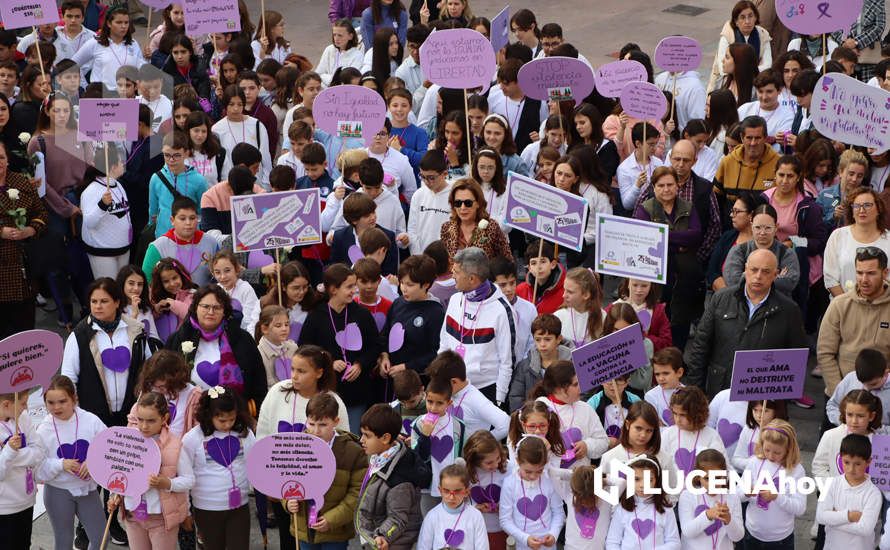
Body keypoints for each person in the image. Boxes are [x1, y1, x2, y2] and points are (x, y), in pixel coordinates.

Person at [685, 249, 808, 397]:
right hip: (719, 390)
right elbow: (700, 347)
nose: (758, 276)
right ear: (745, 269)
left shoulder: (789, 310)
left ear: (775, 274)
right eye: (754, 270)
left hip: (761, 400)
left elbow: (794, 362)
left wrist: (778, 403)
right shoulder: (721, 299)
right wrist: (695, 392)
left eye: (766, 272)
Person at [107, 392, 193, 550]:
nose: (144, 426)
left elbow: (189, 480)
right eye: (140, 420)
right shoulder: (128, 441)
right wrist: (115, 496)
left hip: (161, 519)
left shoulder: (175, 445)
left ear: (164, 418)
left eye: (151, 420)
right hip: (133, 515)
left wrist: (167, 483)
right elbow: (121, 474)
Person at [284, 392, 367, 550]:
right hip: (305, 529)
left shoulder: (352, 452)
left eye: (323, 425)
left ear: (336, 421)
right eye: (311, 423)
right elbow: (286, 480)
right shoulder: (297, 446)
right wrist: (288, 501)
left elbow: (357, 493)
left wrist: (332, 519)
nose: (316, 431)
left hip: (335, 531)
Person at [634, 166, 704, 350]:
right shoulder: (645, 209)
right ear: (654, 187)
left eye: (670, 185)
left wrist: (663, 236)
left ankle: (678, 358)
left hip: (684, 278)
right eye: (661, 185)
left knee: (681, 319)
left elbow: (696, 235)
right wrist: (680, 242)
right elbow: (645, 239)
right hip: (657, 276)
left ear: (677, 186)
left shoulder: (688, 207)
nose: (666, 189)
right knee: (657, 318)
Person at [35, 375, 108, 550]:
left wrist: (93, 462)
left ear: (74, 399)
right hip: (58, 491)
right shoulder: (43, 429)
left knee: (101, 538)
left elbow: (109, 447)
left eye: (62, 401)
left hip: (87, 490)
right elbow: (37, 469)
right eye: (50, 403)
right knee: (63, 540)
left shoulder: (91, 420)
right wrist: (61, 464)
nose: (56, 407)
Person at [165, 285, 267, 407]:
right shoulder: (179, 338)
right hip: (188, 411)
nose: (211, 312)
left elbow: (259, 382)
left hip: (232, 414)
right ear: (195, 307)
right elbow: (165, 380)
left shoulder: (242, 339)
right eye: (205, 306)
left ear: (225, 311)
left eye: (217, 307)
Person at [438, 246, 516, 406]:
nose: (452, 275)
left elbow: (507, 361)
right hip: (452, 386)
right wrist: (440, 377)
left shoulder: (502, 311)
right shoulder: (454, 300)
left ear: (472, 279)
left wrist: (499, 399)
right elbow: (444, 342)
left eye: (457, 272)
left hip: (485, 391)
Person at [180, 387, 256, 549]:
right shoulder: (193, 439)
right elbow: (184, 475)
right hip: (207, 509)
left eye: (232, 419)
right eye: (222, 420)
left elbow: (256, 464)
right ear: (208, 415)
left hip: (239, 507)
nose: (228, 424)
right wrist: (186, 511)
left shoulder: (245, 434)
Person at [818, 247, 890, 399]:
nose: (864, 279)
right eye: (859, 272)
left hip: (884, 395)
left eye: (871, 273)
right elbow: (825, 353)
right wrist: (840, 392)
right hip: (841, 394)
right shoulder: (839, 304)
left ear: (885, 273)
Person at [355, 404, 430, 550]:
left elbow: (398, 518)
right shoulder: (379, 457)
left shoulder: (399, 479)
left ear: (385, 438)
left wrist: (382, 535)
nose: (361, 440)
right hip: (373, 539)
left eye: (367, 435)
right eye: (362, 433)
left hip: (390, 544)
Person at [0, 140, 48, 338]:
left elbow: (42, 213)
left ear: (8, 160)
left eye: (1, 157)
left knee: (24, 331)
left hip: (23, 269)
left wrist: (30, 229)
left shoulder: (21, 181)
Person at [741, 420, 806, 548]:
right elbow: (737, 493)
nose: (770, 456)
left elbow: (800, 508)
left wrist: (777, 497)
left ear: (789, 449)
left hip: (780, 539)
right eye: (767, 450)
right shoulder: (754, 462)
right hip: (752, 533)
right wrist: (746, 492)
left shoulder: (796, 471)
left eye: (777, 452)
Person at [379, 255, 445, 377]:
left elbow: (437, 352)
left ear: (426, 285)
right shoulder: (398, 302)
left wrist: (407, 367)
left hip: (418, 380)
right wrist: (384, 357)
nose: (404, 288)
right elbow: (385, 334)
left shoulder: (436, 312)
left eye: (410, 285)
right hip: (391, 376)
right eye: (402, 283)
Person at [816, 434, 882, 550]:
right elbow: (821, 516)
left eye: (857, 464)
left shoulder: (873, 493)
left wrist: (834, 519)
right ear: (840, 457)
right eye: (846, 462)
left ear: (868, 462)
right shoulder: (831, 484)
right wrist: (849, 516)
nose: (851, 469)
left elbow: (865, 529)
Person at [499, 436, 565, 550]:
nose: (533, 476)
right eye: (528, 471)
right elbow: (505, 520)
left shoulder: (549, 479)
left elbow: (558, 512)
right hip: (523, 545)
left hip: (548, 545)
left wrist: (554, 534)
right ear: (518, 461)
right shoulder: (510, 484)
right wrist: (525, 539)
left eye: (539, 471)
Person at [823, 187, 890, 296]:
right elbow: (830, 278)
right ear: (851, 211)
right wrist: (850, 304)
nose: (862, 210)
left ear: (878, 209)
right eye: (857, 206)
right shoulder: (838, 236)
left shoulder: (888, 239)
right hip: (845, 306)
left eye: (867, 205)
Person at [713, 116, 780, 223]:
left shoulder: (779, 164)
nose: (753, 143)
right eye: (749, 138)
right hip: (730, 232)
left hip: (763, 232)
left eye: (758, 138)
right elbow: (715, 202)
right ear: (741, 137)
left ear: (765, 138)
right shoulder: (727, 162)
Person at [604, 455, 680, 548]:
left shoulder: (666, 509)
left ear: (657, 481)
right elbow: (612, 542)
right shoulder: (622, 509)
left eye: (649, 480)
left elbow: (674, 542)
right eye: (636, 479)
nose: (642, 485)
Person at [0, 390, 44, 549]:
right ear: (6, 404)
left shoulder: (22, 417)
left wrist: (12, 457)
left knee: (24, 544)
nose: (26, 407)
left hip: (26, 500)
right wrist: (10, 451)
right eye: (23, 403)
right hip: (4, 507)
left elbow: (39, 452)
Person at [143, 196, 220, 287]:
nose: (188, 223)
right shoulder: (157, 247)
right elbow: (147, 281)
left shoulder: (211, 242)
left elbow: (220, 274)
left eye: (192, 218)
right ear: (172, 220)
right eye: (182, 218)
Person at [80, 146, 132, 279]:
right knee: (108, 291)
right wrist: (102, 205)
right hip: (103, 252)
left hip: (123, 248)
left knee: (121, 290)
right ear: (113, 167)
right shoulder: (91, 190)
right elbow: (89, 222)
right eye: (120, 162)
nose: (123, 164)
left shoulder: (118, 185)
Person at [678, 450, 746, 549]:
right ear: (698, 477)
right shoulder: (687, 496)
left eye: (718, 477)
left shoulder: (732, 497)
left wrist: (729, 520)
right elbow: (687, 531)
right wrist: (707, 515)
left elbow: (737, 537)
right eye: (707, 478)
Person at [148, 132, 210, 239]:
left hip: (191, 237)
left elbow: (202, 212)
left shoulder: (199, 180)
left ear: (186, 153)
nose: (171, 160)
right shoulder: (156, 178)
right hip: (163, 236)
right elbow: (153, 210)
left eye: (176, 155)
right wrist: (153, 228)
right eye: (167, 155)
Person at [71, 7, 145, 91]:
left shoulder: (133, 43)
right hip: (99, 97)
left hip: (126, 97)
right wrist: (84, 86)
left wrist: (147, 58)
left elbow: (141, 70)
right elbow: (71, 65)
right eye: (119, 22)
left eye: (126, 22)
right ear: (109, 23)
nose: (123, 26)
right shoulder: (95, 42)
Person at [417, 463, 488, 550]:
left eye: (457, 491)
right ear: (440, 490)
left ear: (466, 492)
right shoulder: (432, 516)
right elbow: (423, 547)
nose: (451, 497)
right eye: (446, 491)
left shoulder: (475, 516)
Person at [440, 178, 513, 260]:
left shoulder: (491, 227)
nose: (462, 208)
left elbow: (507, 262)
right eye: (458, 203)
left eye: (468, 203)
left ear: (478, 203)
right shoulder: (446, 228)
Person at [708, 0, 773, 92]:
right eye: (742, 17)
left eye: (750, 16)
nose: (747, 21)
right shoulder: (727, 35)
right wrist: (750, 70)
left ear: (755, 18)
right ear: (736, 21)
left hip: (754, 84)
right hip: (727, 84)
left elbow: (767, 65)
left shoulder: (763, 35)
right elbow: (723, 68)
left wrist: (740, 69)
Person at [825, 348, 890, 427]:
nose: (867, 388)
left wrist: (873, 430)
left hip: (879, 438)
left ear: (886, 373)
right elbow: (832, 405)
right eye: (862, 383)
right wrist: (845, 423)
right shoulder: (851, 378)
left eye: (873, 384)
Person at [830, 0, 886, 80]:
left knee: (868, 87)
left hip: (868, 54)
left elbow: (879, 27)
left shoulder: (877, 1)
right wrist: (845, 43)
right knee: (844, 85)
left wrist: (856, 42)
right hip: (846, 53)